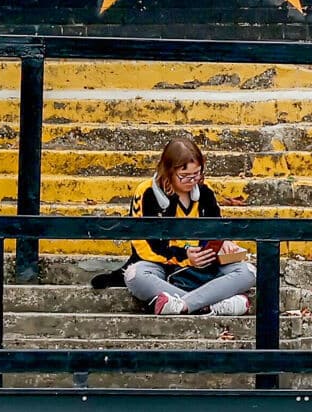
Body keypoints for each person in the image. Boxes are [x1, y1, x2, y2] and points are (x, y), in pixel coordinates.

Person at [101, 135, 256, 316]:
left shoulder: (205, 193)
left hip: (203, 267)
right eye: (184, 176)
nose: (192, 181)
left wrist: (224, 243)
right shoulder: (147, 193)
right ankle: (210, 306)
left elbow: (216, 229)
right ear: (168, 172)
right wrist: (185, 257)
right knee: (135, 274)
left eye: (196, 174)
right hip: (162, 266)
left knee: (248, 272)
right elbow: (143, 245)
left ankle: (181, 305)